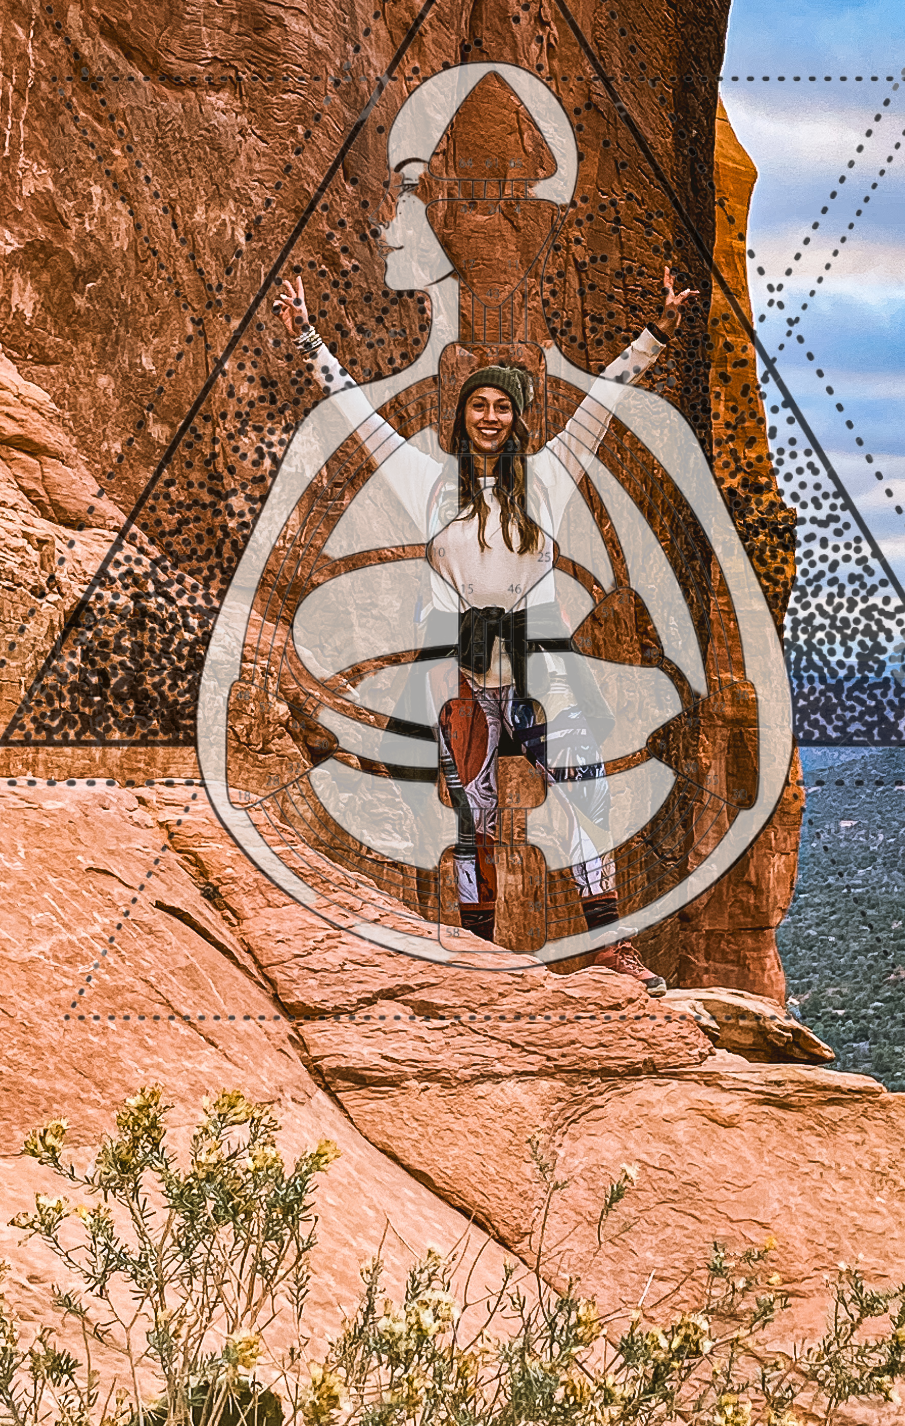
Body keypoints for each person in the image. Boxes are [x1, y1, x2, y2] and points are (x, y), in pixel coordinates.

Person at [273, 266, 697, 994]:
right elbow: (355, 414)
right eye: (479, 406)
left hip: (541, 667)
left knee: (584, 793)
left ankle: (609, 945)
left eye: (502, 406)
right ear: (463, 415)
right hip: (463, 673)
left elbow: (605, 402)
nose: (490, 417)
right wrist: (306, 335)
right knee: (474, 817)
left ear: (517, 417)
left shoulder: (549, 476)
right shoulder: (429, 484)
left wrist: (656, 332)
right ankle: (480, 957)